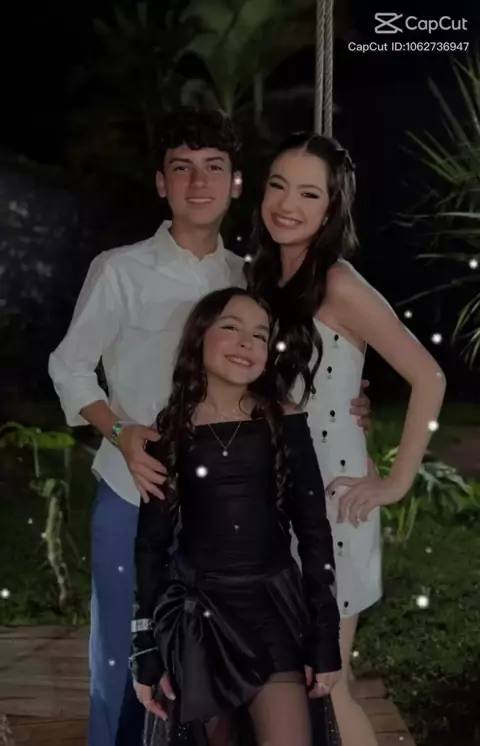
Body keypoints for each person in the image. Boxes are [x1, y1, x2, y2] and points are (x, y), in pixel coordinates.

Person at [48, 108, 369, 746]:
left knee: (219, 684)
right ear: (160, 182)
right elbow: (69, 366)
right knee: (122, 662)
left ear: (235, 183)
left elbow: (287, 366)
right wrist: (121, 433)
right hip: (138, 489)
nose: (198, 183)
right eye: (181, 168)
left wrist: (351, 395)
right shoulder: (120, 269)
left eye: (213, 168)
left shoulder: (247, 277)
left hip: (228, 511)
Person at [246, 131, 446, 746]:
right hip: (275, 499)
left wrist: (395, 482)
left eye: (310, 194)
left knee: (326, 683)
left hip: (332, 505)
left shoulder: (339, 283)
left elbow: (429, 376)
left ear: (332, 208)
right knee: (291, 680)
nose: (288, 204)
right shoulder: (263, 278)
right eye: (279, 185)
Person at [130, 287, 342, 746]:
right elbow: (150, 545)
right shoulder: (169, 430)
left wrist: (326, 634)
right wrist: (144, 643)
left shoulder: (285, 420)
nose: (247, 342)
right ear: (199, 337)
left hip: (271, 610)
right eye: (231, 327)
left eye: (260, 335)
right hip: (201, 619)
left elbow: (313, 531)